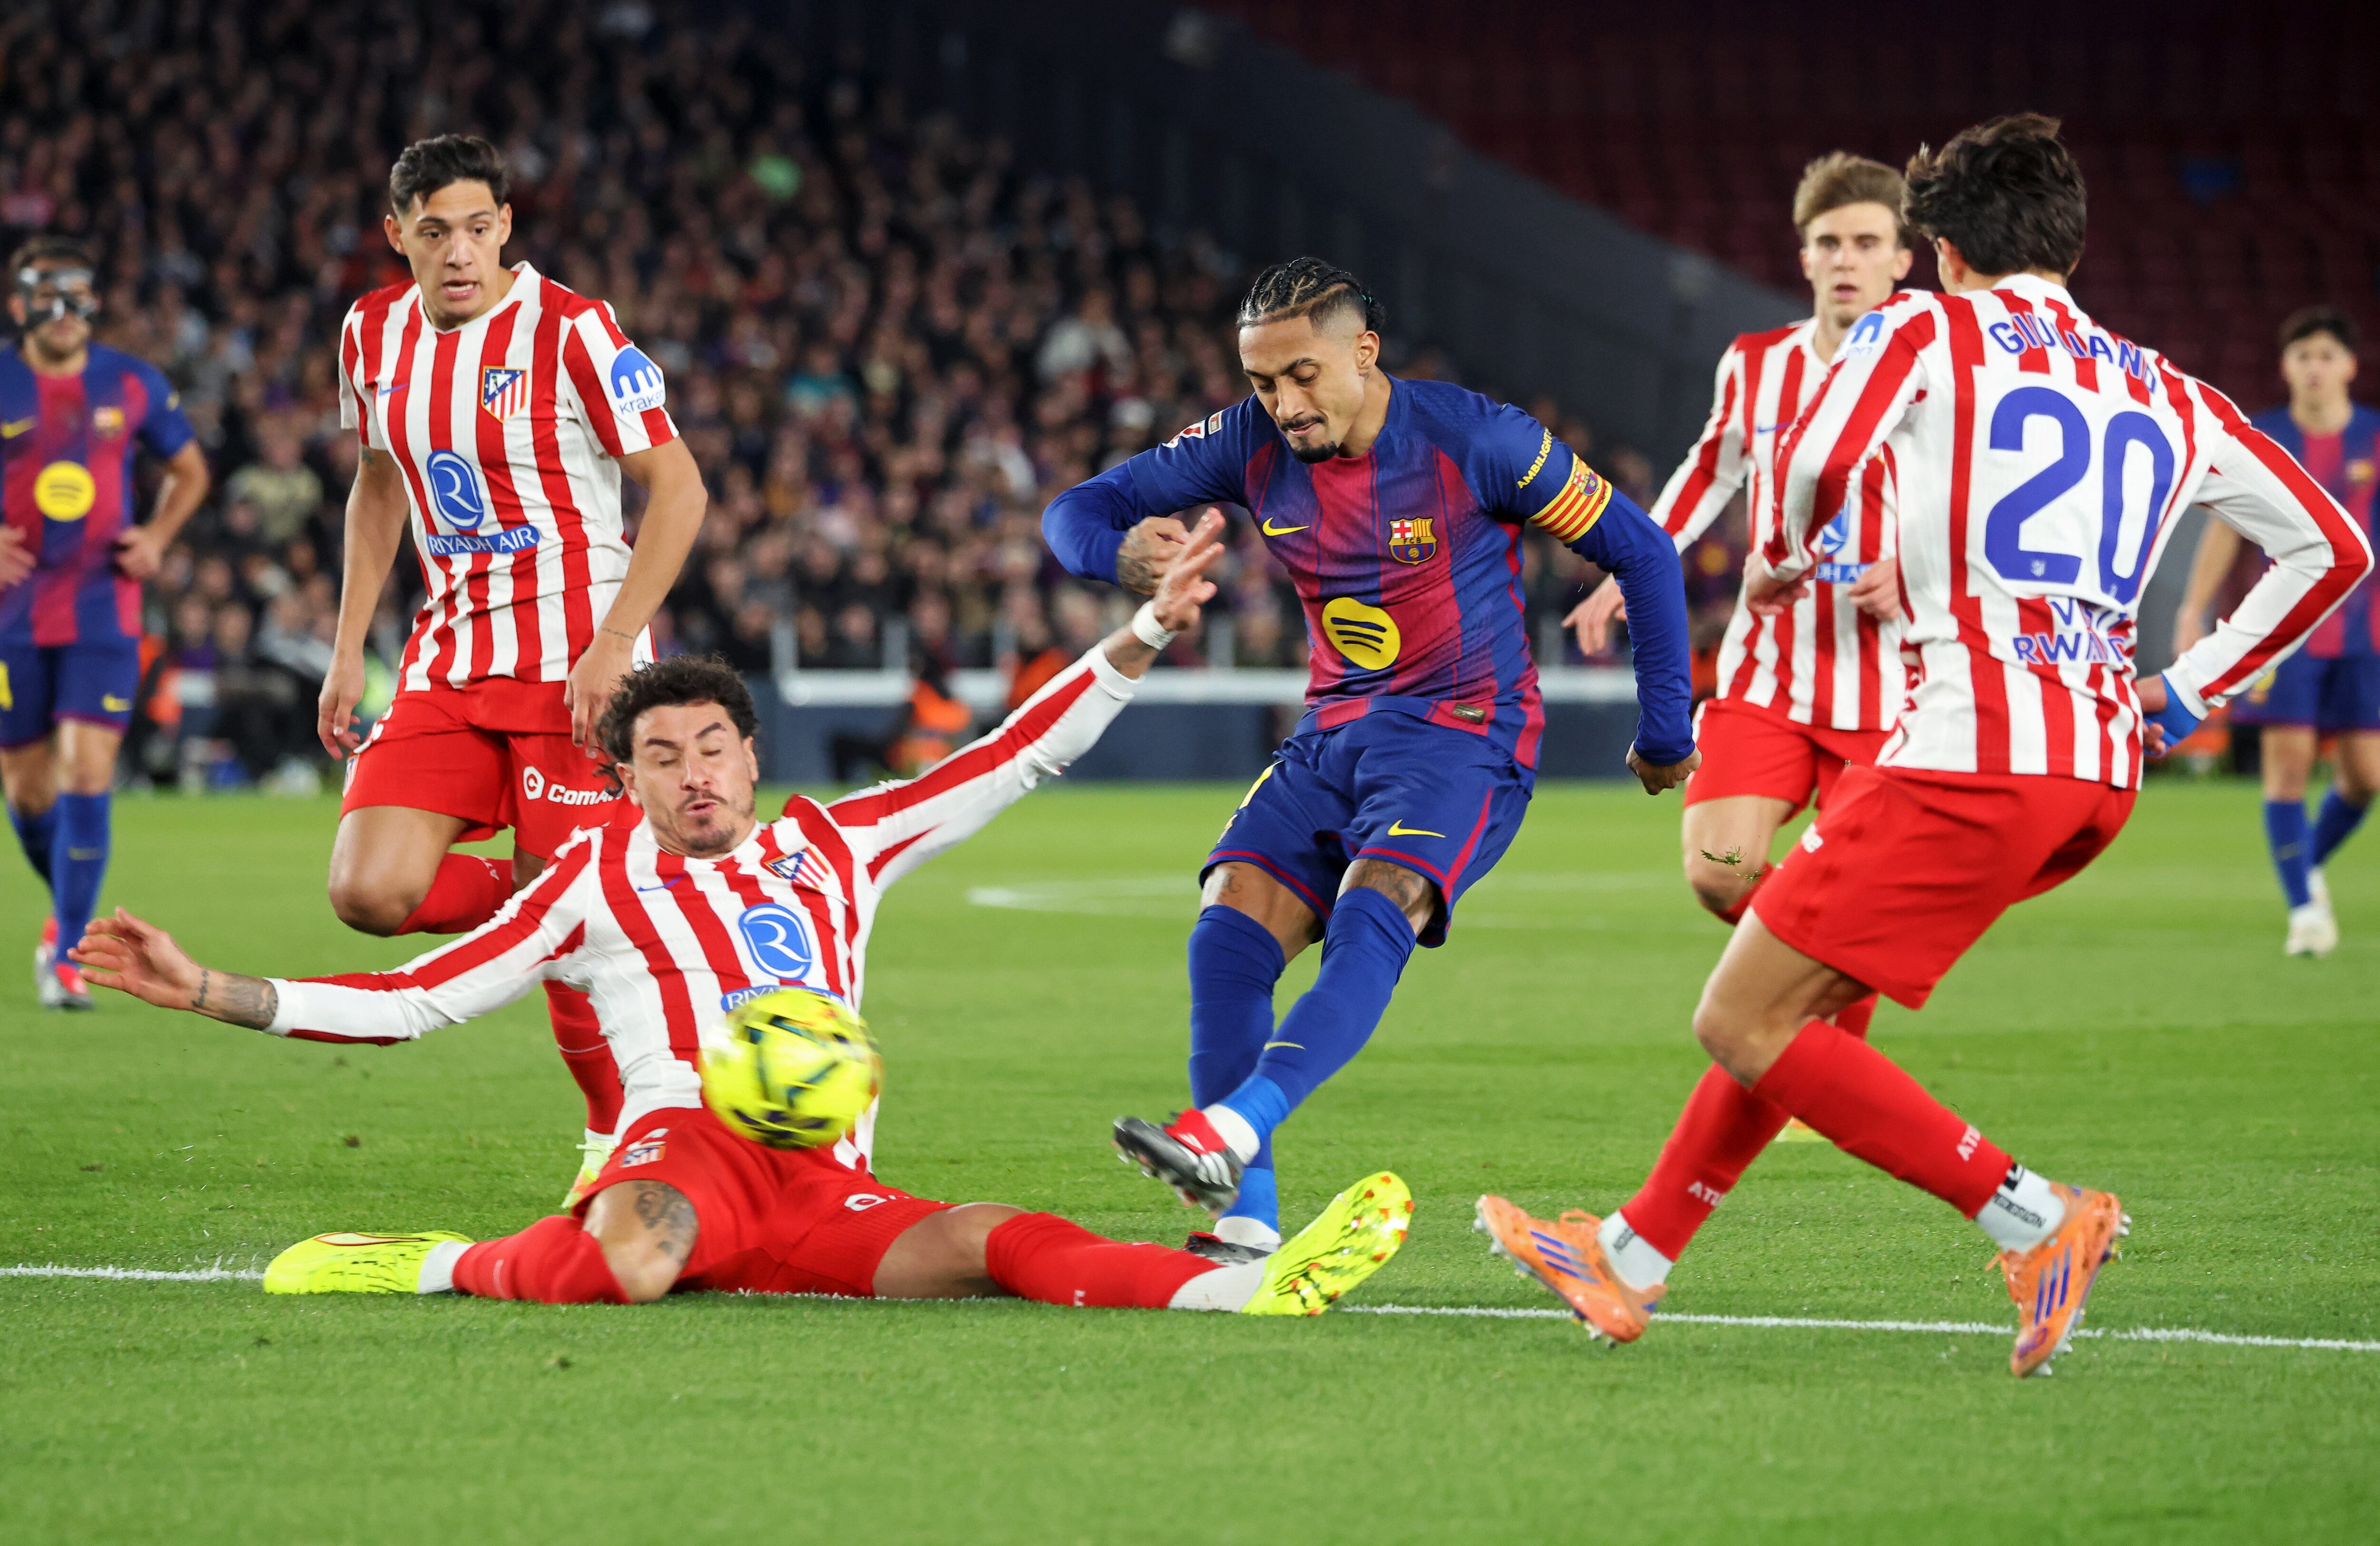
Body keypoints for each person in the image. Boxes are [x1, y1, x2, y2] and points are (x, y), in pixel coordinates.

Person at [1477, 114, 2372, 1376]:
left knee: (1738, 1016)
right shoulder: (2168, 386)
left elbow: (1818, 459)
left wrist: (1785, 550)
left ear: (1941, 253)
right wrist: (2188, 691)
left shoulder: (1925, 331)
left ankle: (2037, 1217)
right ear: (2069, 243)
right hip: (2096, 769)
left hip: (1974, 750)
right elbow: (2336, 549)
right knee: (1792, 999)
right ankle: (1630, 1257)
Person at [72, 528, 1414, 1317]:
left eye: (713, 747)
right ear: (627, 779)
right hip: (687, 1145)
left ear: (751, 756)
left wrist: (1144, 635)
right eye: (662, 757)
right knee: (636, 1264)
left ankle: (1235, 1289)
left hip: (824, 1173)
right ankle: (436, 1265)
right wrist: (213, 989)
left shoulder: (837, 843)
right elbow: (419, 996)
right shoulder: (586, 882)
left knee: (983, 1240)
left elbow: (1013, 755)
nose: (694, 775)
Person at [1042, 258, 1696, 1254]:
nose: (1283, 403)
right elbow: (1073, 513)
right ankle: (1246, 1223)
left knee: (1373, 907)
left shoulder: (1479, 440)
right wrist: (1119, 556)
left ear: (1364, 350)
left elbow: (1640, 550)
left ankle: (1233, 1130)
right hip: (1334, 731)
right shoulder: (1248, 442)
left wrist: (1664, 734)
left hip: (1463, 732)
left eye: (1302, 375)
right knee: (1226, 926)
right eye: (1263, 381)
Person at [315, 135, 708, 1199]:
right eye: (434, 231)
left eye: (478, 229)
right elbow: (379, 484)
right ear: (397, 234)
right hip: (448, 659)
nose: (459, 252)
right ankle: (570, 889)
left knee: (575, 942)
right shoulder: (370, 333)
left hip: (574, 663)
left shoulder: (574, 331)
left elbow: (680, 490)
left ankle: (607, 1135)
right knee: (369, 890)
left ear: (505, 229)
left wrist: (615, 645)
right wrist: (348, 646)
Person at [1571, 153, 1916, 1144]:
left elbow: (1983, 503)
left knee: (1849, 900)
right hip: (1769, 676)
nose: (1845, 260)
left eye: (1866, 243)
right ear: (1802, 256)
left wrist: (1916, 570)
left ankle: (1817, 1067)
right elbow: (1710, 468)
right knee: (1720, 870)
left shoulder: (1940, 369)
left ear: (1903, 259)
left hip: (1893, 689)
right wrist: (1631, 562)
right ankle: (1819, 1008)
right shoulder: (1756, 363)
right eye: (1827, 243)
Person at [0, 235, 210, 1008]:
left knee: (87, 772)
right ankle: (66, 917)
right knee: (28, 793)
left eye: (78, 295)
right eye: (47, 296)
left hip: (103, 606)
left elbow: (190, 471)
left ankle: (67, 953)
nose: (65, 311)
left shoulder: (131, 382)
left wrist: (157, 537)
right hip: (12, 614)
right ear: (19, 305)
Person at [2172, 306, 2380, 956]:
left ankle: (2303, 866)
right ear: (2286, 367)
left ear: (2349, 366)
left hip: (2366, 636)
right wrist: (2191, 609)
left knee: (2366, 778)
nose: (2315, 367)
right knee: (2287, 769)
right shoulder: (2264, 436)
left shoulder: (2375, 438)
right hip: (2288, 631)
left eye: (2326, 356)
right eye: (2302, 356)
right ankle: (2304, 913)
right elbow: (2224, 532)